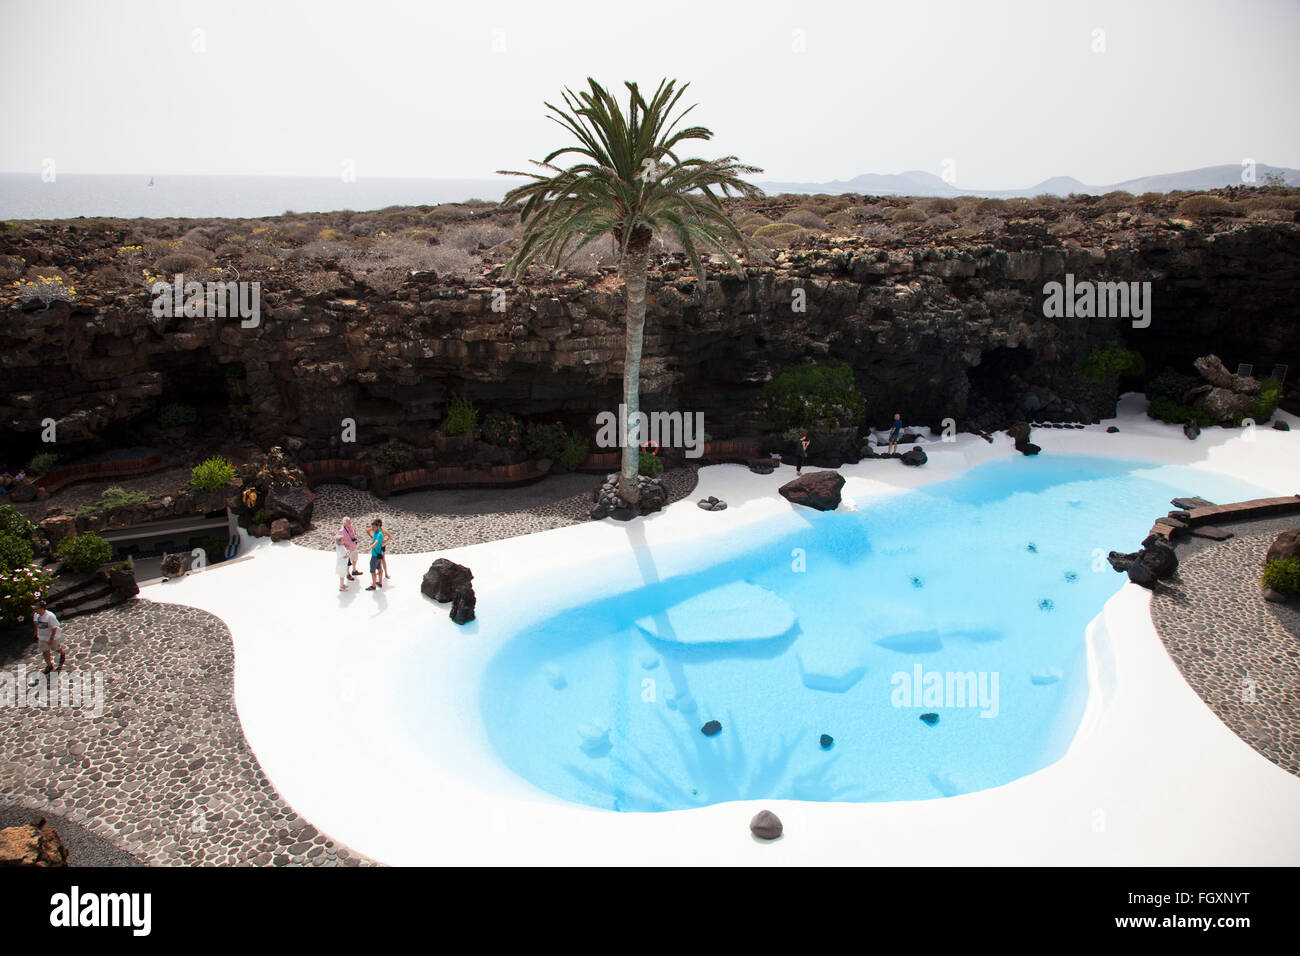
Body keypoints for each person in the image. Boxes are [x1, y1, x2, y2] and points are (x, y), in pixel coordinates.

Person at [32, 599, 67, 674]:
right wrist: (36, 632)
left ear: (42, 608)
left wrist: (51, 639)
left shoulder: (50, 616)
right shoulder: (36, 615)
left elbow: (54, 628)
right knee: (45, 652)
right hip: (42, 637)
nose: (35, 610)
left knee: (56, 648)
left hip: (52, 637)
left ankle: (62, 653)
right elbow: (36, 623)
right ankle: (49, 665)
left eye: (37, 608)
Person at [364, 519, 385, 591]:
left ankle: (373, 585)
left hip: (375, 556)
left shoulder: (378, 534)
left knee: (373, 571)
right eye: (372, 527)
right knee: (379, 568)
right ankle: (380, 582)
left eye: (374, 527)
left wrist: (369, 548)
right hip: (379, 554)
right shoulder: (378, 533)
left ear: (378, 527)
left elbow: (376, 542)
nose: (372, 529)